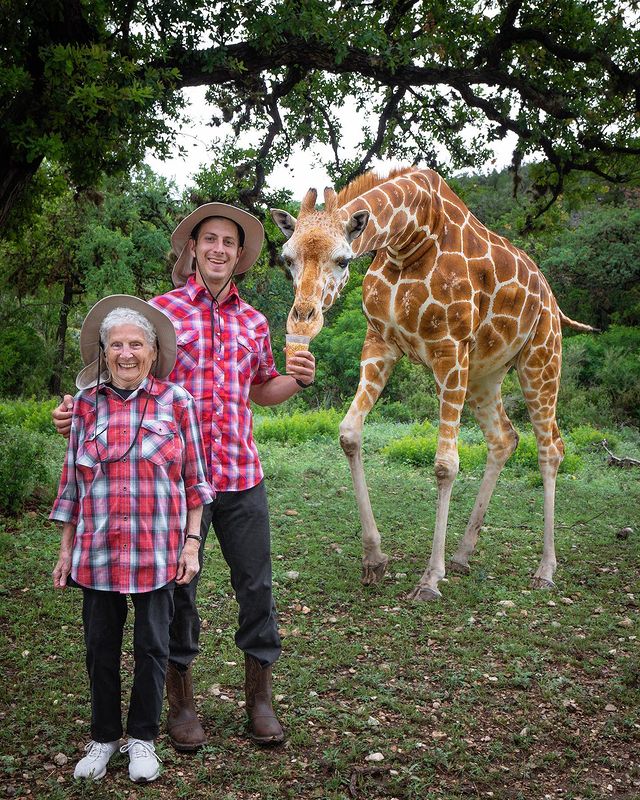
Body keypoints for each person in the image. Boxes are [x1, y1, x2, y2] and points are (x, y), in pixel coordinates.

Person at [52, 203, 316, 749]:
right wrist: (70, 412)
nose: (220, 249)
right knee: (179, 592)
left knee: (257, 588)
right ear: (192, 249)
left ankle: (259, 698)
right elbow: (117, 379)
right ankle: (181, 702)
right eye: (210, 239)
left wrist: (296, 381)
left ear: (240, 257)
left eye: (229, 243)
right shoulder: (162, 314)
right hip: (173, 485)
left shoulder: (254, 322)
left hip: (241, 474)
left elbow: (260, 389)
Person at [51, 296, 214, 782]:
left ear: (152, 350)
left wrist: (191, 543)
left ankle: (142, 739)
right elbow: (71, 483)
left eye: (135, 344)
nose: (126, 353)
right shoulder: (83, 405)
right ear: (103, 354)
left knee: (153, 647)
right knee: (100, 647)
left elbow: (195, 480)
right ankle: (103, 738)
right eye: (116, 344)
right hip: (99, 551)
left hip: (157, 550)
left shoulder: (177, 402)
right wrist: (65, 549)